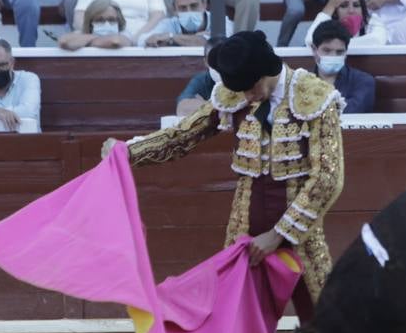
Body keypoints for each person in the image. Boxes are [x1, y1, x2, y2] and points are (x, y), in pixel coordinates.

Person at [113, 30, 347, 318]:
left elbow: (326, 178)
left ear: (268, 69)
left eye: (252, 86)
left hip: (301, 229)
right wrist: (129, 152)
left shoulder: (316, 96)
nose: (247, 96)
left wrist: (277, 234)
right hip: (244, 228)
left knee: (324, 320)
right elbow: (184, 135)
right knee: (232, 321)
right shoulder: (234, 93)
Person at [311, 19, 375, 113]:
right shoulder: (301, 82)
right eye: (327, 51)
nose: (333, 56)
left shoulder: (364, 81)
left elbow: (353, 110)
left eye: (339, 52)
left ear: (346, 52)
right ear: (314, 50)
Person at [144, 0, 234, 47]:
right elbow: (144, 40)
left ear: (204, 4)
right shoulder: (169, 24)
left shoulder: (220, 22)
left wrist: (171, 38)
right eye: (183, 8)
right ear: (174, 9)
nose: (189, 11)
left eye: (194, 6)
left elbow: (216, 42)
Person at [305, 0, 389, 48]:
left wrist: (329, 45)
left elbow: (377, 40)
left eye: (356, 5)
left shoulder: (372, 20)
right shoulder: (328, 23)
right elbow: (311, 41)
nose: (351, 11)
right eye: (344, 5)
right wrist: (329, 6)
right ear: (334, 12)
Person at [60, 0, 139, 50]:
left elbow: (115, 42)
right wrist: (98, 38)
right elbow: (64, 41)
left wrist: (84, 42)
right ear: (90, 22)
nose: (106, 24)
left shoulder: (125, 33)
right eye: (100, 20)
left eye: (111, 20)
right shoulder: (83, 33)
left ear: (119, 21)